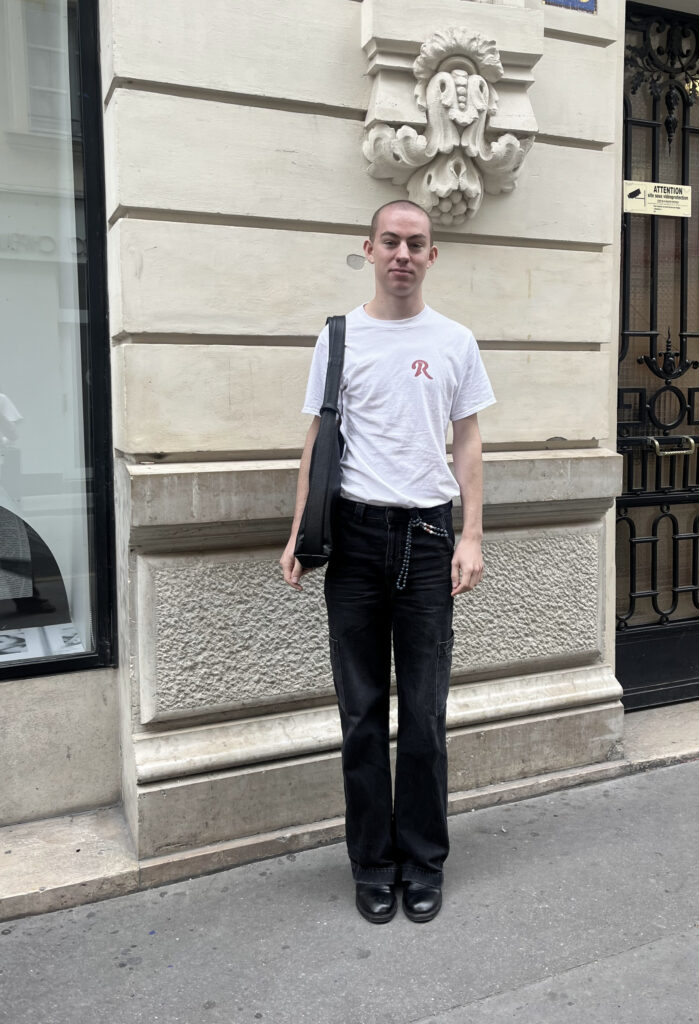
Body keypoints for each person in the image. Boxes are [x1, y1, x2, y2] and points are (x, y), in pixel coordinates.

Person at [280, 199, 495, 924]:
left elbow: (467, 443)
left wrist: (472, 535)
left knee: (426, 717)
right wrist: (297, 532)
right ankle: (372, 863)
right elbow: (318, 440)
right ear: (368, 250)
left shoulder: (457, 341)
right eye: (391, 242)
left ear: (432, 256)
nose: (403, 255)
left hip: (430, 543)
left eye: (417, 244)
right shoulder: (339, 339)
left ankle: (423, 861)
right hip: (357, 544)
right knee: (363, 714)